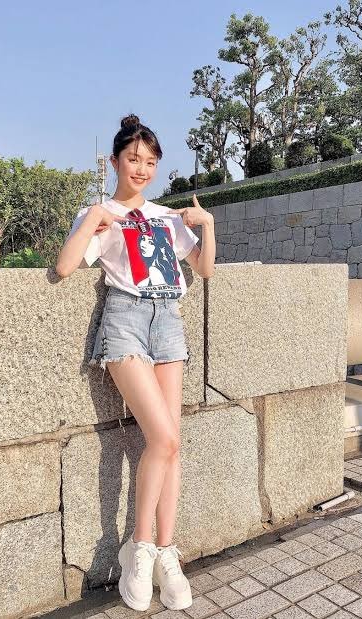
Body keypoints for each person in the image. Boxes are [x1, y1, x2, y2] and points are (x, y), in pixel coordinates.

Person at [56, 114, 216, 612]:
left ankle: (166, 552)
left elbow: (204, 268)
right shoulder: (100, 212)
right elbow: (64, 267)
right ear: (115, 161)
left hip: (168, 320)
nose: (142, 168)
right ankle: (139, 549)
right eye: (133, 159)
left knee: (172, 445)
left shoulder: (167, 216)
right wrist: (91, 220)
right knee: (162, 438)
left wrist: (208, 226)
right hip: (124, 320)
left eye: (150, 161)